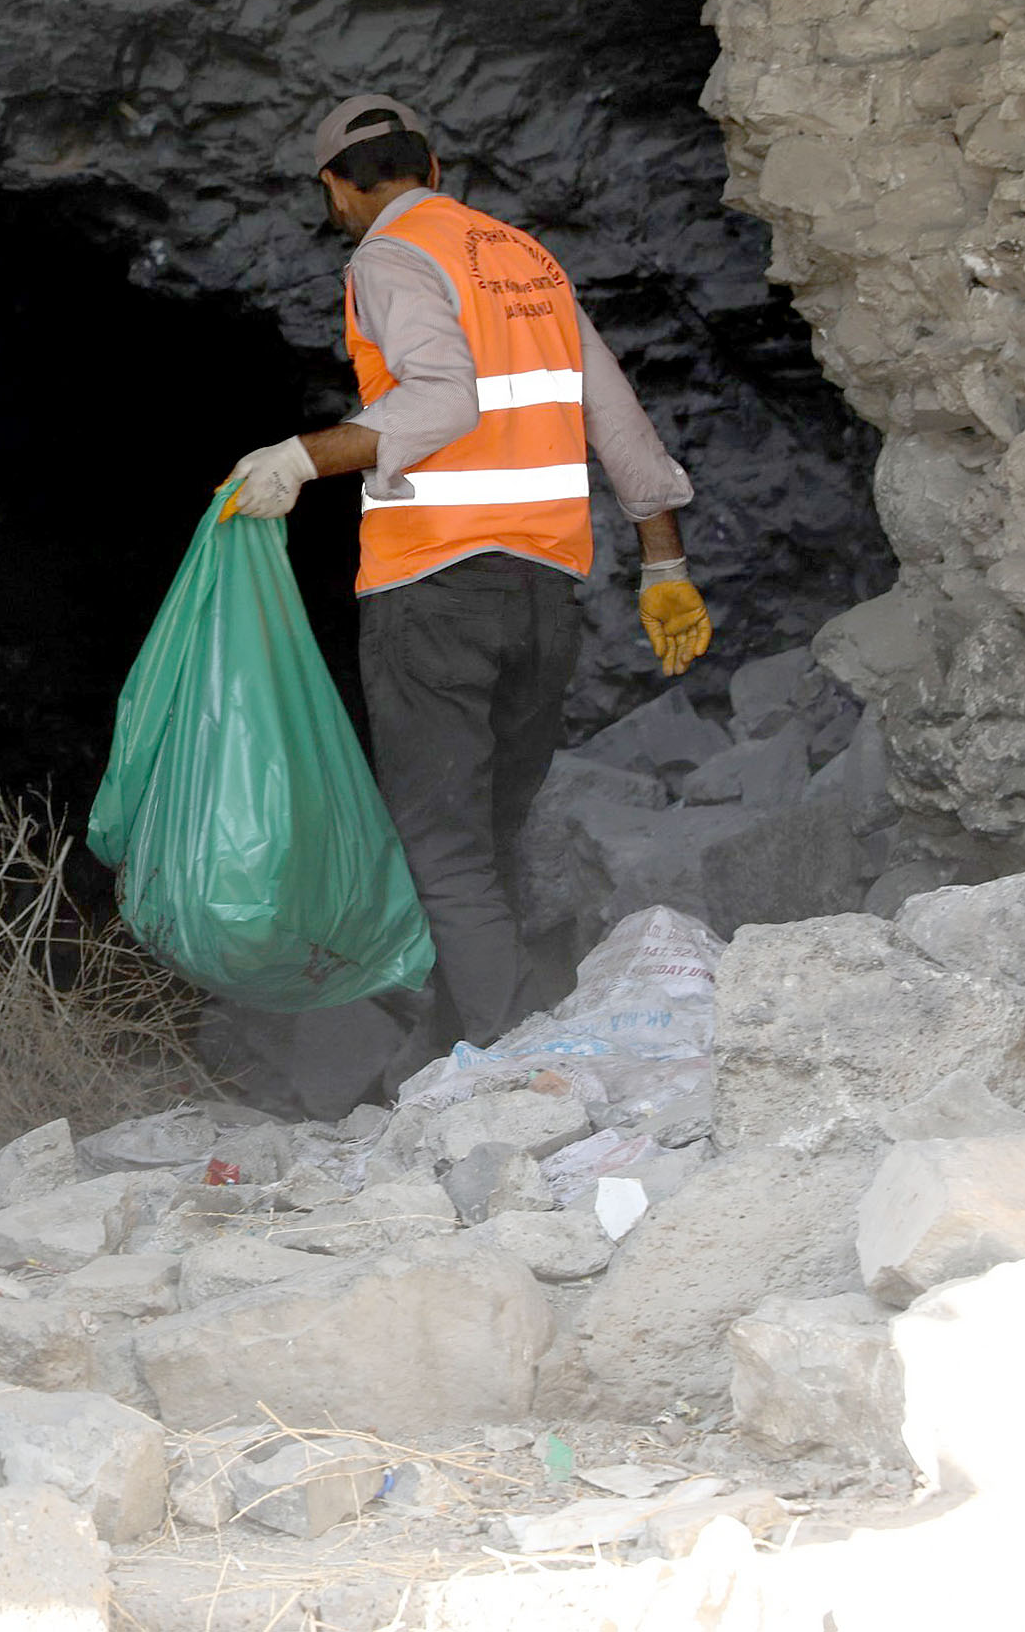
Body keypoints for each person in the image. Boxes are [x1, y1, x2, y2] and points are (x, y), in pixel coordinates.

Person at [218, 93, 712, 1115]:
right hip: (542, 594)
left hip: (434, 590)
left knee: (442, 846)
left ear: (335, 188)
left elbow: (441, 398)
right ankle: (447, 1057)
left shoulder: (386, 259)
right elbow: (616, 417)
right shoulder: (526, 259)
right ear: (433, 166)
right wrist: (662, 565)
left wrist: (298, 458)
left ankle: (512, 1069)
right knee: (484, 834)